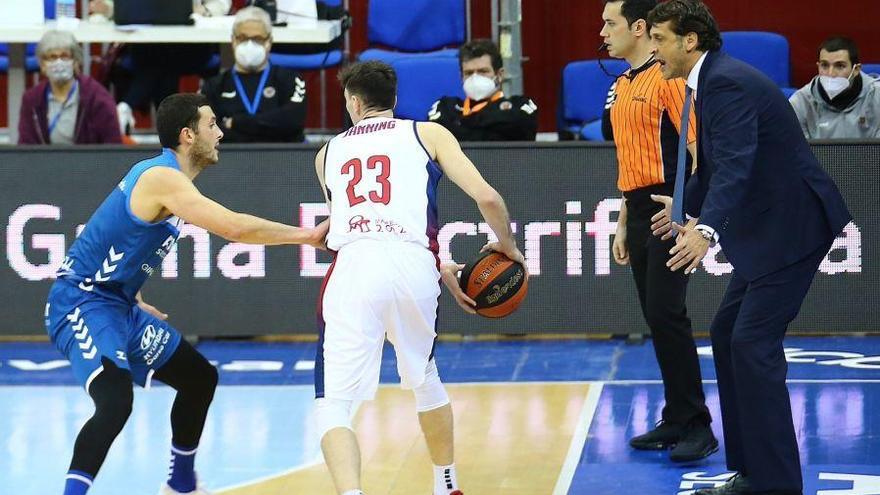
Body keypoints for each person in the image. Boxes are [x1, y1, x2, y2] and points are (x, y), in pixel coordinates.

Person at [44, 93, 327, 495]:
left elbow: (110, 238)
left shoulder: (166, 179)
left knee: (199, 379)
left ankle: (180, 485)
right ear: (187, 135)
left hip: (117, 304)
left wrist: (132, 295)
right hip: (81, 303)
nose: (221, 132)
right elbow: (234, 228)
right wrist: (306, 235)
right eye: (212, 124)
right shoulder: (162, 177)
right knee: (115, 401)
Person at [647, 1, 852, 494]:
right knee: (726, 333)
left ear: (689, 40)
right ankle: (750, 472)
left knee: (751, 344)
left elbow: (737, 162)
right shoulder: (708, 81)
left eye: (660, 38)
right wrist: (682, 207)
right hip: (768, 231)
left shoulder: (725, 83)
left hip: (791, 230)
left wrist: (707, 230)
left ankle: (777, 484)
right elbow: (716, 164)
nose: (653, 49)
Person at [313, 60, 524, 495]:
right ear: (393, 99)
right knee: (425, 377)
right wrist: (508, 246)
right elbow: (487, 196)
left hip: (355, 269)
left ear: (353, 101)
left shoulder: (326, 153)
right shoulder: (427, 133)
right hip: (414, 267)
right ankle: (446, 486)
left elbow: (350, 228)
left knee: (333, 402)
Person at [600, 0, 716, 462]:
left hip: (668, 207)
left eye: (611, 23)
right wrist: (623, 222)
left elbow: (698, 151)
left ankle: (698, 425)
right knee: (657, 318)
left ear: (640, 27)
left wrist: (689, 211)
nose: (603, 31)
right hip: (638, 207)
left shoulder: (667, 79)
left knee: (668, 315)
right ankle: (677, 417)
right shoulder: (623, 84)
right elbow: (628, 160)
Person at [90, 0, 232, 135]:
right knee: (162, 59)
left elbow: (221, 3)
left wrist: (205, 10)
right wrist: (106, 8)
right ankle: (170, 129)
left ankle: (127, 105)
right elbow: (121, 6)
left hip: (191, 45)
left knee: (161, 60)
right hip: (147, 42)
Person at [201, 6, 308, 143]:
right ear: (233, 40)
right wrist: (268, 130)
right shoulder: (214, 86)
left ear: (269, 42)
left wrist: (238, 123)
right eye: (242, 38)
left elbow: (293, 121)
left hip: (282, 158)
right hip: (231, 159)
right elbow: (208, 132)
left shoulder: (291, 79)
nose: (249, 44)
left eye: (257, 39)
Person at [18, 30, 121, 145]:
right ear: (42, 65)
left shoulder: (97, 98)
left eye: (65, 56)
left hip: (88, 162)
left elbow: (113, 145)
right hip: (45, 162)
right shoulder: (31, 99)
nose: (59, 62)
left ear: (75, 62)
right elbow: (25, 148)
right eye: (52, 57)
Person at [428, 39, 538, 141]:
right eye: (469, 73)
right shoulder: (445, 107)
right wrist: (490, 124)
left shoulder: (519, 106)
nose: (475, 78)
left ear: (499, 75)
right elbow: (434, 136)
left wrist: (459, 123)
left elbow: (519, 129)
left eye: (483, 71)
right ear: (461, 77)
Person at [789, 36, 880, 139]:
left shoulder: (877, 96)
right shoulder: (800, 103)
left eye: (840, 66)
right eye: (825, 65)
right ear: (818, 66)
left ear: (856, 70)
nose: (831, 73)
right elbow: (799, 152)